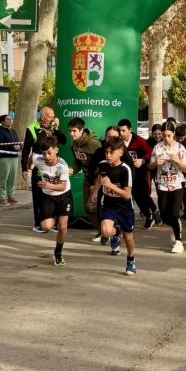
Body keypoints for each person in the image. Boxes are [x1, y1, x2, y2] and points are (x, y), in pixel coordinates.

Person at [92, 138, 137, 275]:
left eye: (112, 152)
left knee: (128, 237)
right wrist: (95, 192)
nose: (108, 155)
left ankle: (131, 261)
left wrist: (111, 186)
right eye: (106, 152)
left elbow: (127, 195)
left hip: (124, 207)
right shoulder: (103, 165)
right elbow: (100, 177)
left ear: (121, 153)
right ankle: (116, 232)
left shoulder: (125, 170)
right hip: (109, 205)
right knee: (105, 231)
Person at [21, 107, 67, 231]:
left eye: (53, 116)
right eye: (51, 117)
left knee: (54, 193)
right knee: (38, 194)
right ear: (43, 117)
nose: (53, 119)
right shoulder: (32, 129)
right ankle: (38, 223)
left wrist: (56, 128)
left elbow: (64, 141)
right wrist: (24, 168)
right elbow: (26, 150)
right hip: (40, 166)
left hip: (54, 167)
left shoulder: (53, 128)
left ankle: (53, 221)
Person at [31, 136, 72, 265]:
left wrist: (48, 185)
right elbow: (31, 156)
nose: (46, 156)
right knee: (46, 227)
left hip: (63, 195)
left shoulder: (62, 166)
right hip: (48, 197)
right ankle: (52, 217)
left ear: (56, 150)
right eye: (44, 153)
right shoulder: (38, 159)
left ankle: (58, 252)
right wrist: (27, 168)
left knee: (62, 226)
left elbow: (62, 186)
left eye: (49, 153)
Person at [149, 122, 186, 253]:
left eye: (169, 135)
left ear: (174, 134)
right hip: (162, 184)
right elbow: (150, 166)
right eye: (164, 136)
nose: (166, 138)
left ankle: (179, 241)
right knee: (165, 214)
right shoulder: (157, 148)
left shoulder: (180, 148)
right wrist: (156, 163)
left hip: (177, 183)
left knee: (175, 213)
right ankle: (174, 224)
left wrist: (178, 161)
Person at [118, 118, 160, 229]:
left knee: (144, 195)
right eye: (120, 131)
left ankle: (155, 211)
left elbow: (150, 152)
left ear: (130, 130)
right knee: (135, 197)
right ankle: (148, 215)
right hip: (128, 174)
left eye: (123, 131)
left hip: (142, 172)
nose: (121, 133)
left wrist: (142, 160)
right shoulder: (119, 142)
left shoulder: (138, 140)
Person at [67, 117, 101, 215]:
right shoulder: (74, 144)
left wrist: (96, 182)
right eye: (70, 131)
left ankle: (109, 229)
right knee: (88, 208)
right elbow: (78, 162)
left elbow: (104, 161)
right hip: (87, 178)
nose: (71, 134)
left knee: (93, 207)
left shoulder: (93, 143)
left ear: (81, 130)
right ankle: (101, 230)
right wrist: (72, 170)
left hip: (98, 178)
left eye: (74, 131)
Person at [0, 114, 23, 205]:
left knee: (11, 178)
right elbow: (0, 145)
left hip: (14, 157)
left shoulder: (13, 131)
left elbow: (18, 142)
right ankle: (2, 198)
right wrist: (13, 146)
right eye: (7, 119)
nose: (10, 120)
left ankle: (10, 196)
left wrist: (20, 146)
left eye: (11, 119)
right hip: (4, 157)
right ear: (2, 122)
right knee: (3, 178)